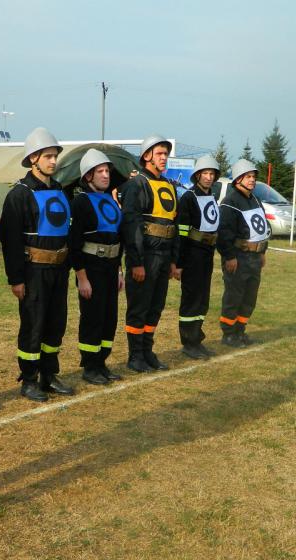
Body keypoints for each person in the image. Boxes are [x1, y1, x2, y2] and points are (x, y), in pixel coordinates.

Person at [0, 127, 75, 402]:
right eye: (48, 156)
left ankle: (49, 375)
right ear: (33, 159)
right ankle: (29, 379)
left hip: (58, 271)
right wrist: (16, 279)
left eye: (55, 156)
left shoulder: (61, 191)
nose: (53, 161)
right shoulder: (19, 194)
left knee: (56, 324)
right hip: (33, 272)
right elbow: (10, 240)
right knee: (33, 325)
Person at [118, 135, 180, 372]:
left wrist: (173, 260)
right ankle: (135, 356)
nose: (164, 158)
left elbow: (174, 224)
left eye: (166, 154)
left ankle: (147, 351)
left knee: (155, 307)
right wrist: (136, 262)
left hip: (164, 257)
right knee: (139, 307)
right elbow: (131, 225)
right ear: (146, 156)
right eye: (159, 154)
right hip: (145, 258)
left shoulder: (170, 185)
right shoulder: (137, 184)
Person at [69, 148, 125, 385]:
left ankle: (102, 362)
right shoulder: (80, 202)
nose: (106, 175)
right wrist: (82, 278)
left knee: (109, 317)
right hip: (91, 269)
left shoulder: (112, 201)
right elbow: (74, 244)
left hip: (111, 267)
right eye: (100, 171)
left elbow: (118, 238)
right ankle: (90, 366)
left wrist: (119, 270)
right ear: (88, 176)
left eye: (107, 171)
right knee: (92, 318)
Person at [216, 159, 269, 347]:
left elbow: (261, 228)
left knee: (249, 297)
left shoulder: (255, 200)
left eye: (253, 176)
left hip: (254, 257)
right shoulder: (230, 202)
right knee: (234, 296)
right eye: (248, 177)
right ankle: (229, 334)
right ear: (238, 179)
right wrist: (229, 257)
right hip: (238, 257)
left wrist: (262, 251)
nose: (252, 180)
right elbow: (224, 233)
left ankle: (240, 331)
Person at [176, 154, 220, 359]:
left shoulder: (212, 197)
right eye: (205, 174)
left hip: (207, 253)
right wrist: (179, 262)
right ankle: (188, 342)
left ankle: (197, 338)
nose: (209, 177)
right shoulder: (188, 198)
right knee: (191, 298)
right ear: (197, 176)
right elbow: (182, 233)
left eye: (212, 174)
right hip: (192, 253)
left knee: (203, 299)